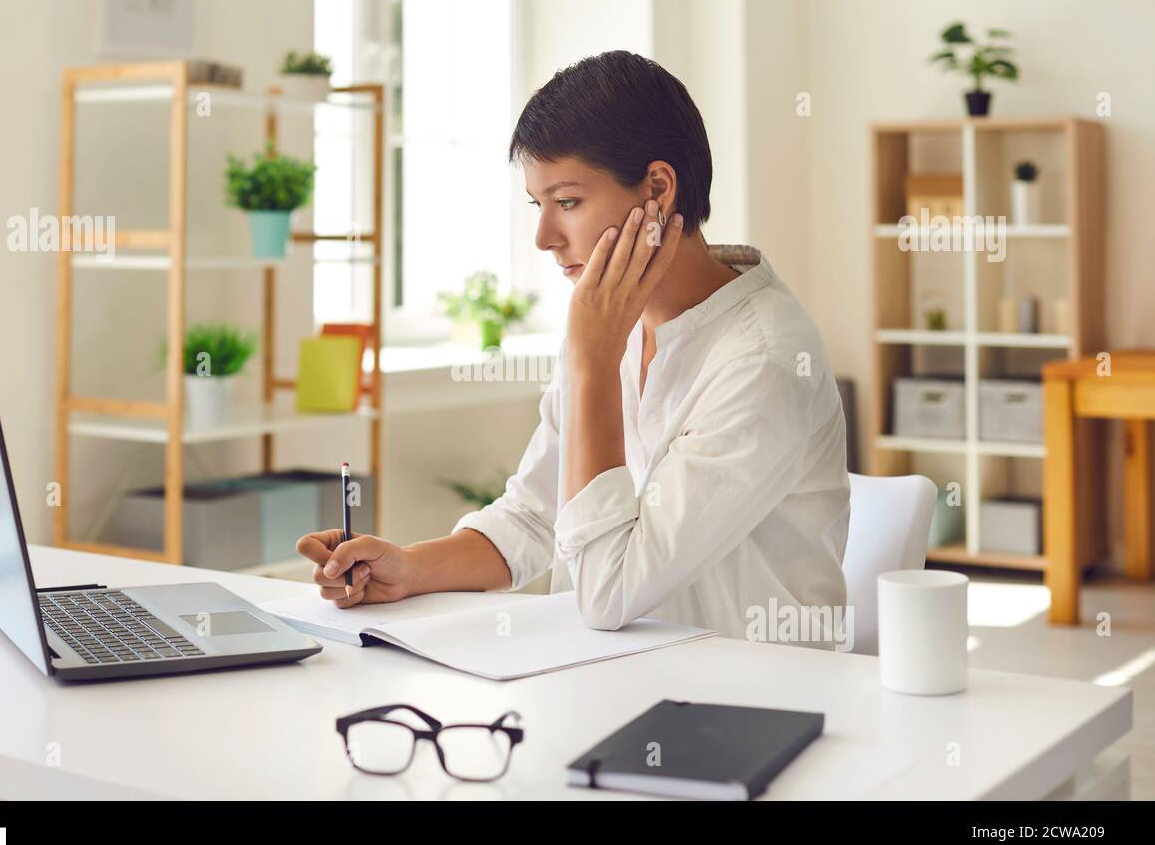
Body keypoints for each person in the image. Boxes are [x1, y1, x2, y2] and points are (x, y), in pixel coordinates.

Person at [297, 50, 849, 638]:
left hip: (745, 686)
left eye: (566, 202)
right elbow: (536, 516)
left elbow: (609, 591)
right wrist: (407, 569)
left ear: (658, 189)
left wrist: (593, 363)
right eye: (538, 205)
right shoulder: (609, 322)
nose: (543, 237)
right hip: (612, 673)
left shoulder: (762, 360)